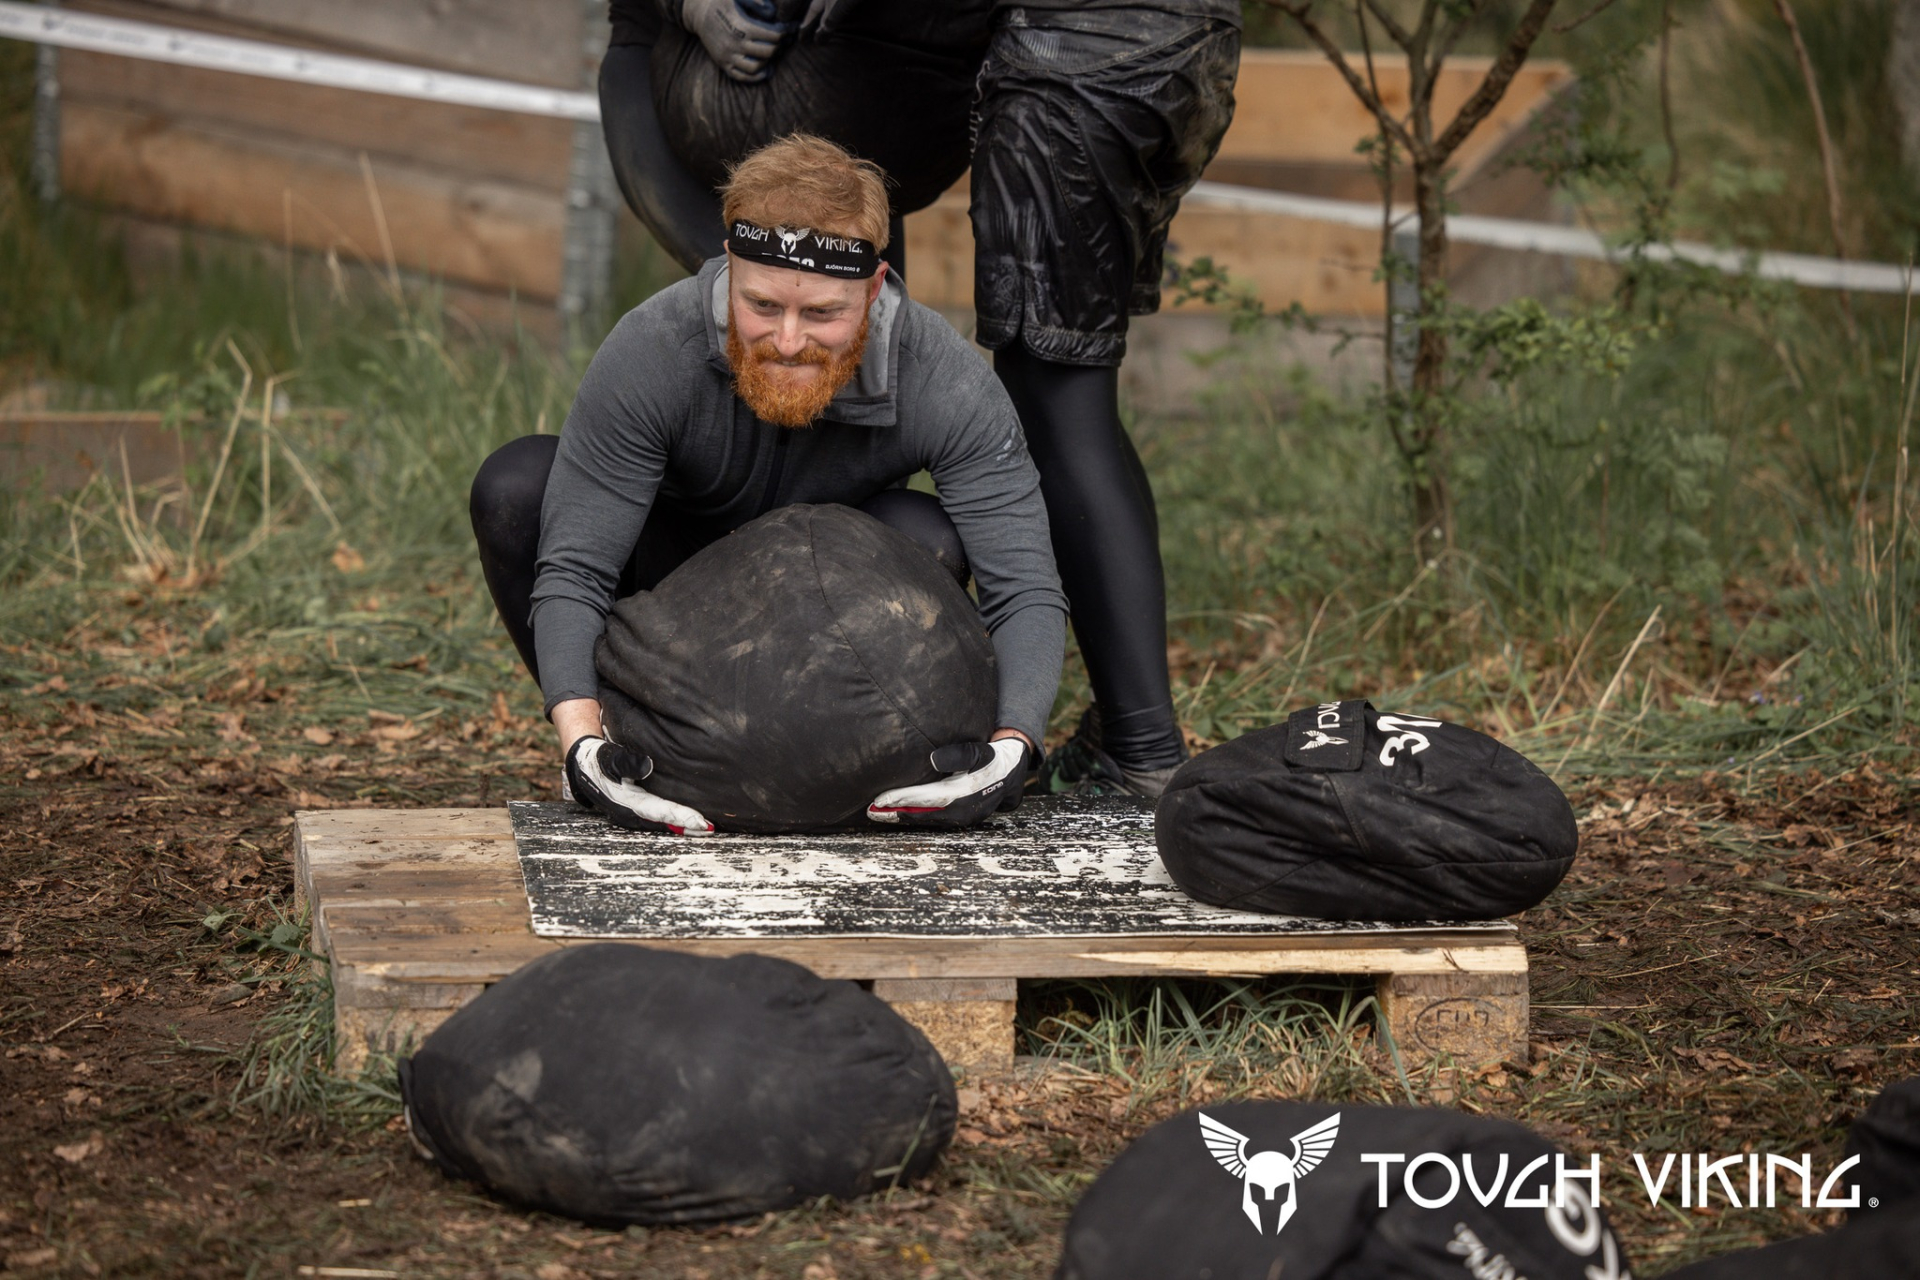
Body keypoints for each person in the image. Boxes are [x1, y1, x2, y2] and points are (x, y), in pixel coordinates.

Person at [596, 0, 1239, 799]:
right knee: (1064, 388)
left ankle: (1139, 751)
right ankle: (1124, 731)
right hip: (1163, 46)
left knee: (1054, 389)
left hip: (1089, 43)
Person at [470, 134, 1067, 833]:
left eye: (822, 314)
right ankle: (623, 755)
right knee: (519, 486)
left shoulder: (942, 377)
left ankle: (861, 767)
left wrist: (1012, 748)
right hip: (669, 599)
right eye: (762, 307)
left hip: (828, 607)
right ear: (730, 270)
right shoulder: (654, 346)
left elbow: (1023, 584)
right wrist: (579, 738)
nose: (787, 341)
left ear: (873, 291)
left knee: (925, 535)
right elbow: (574, 569)